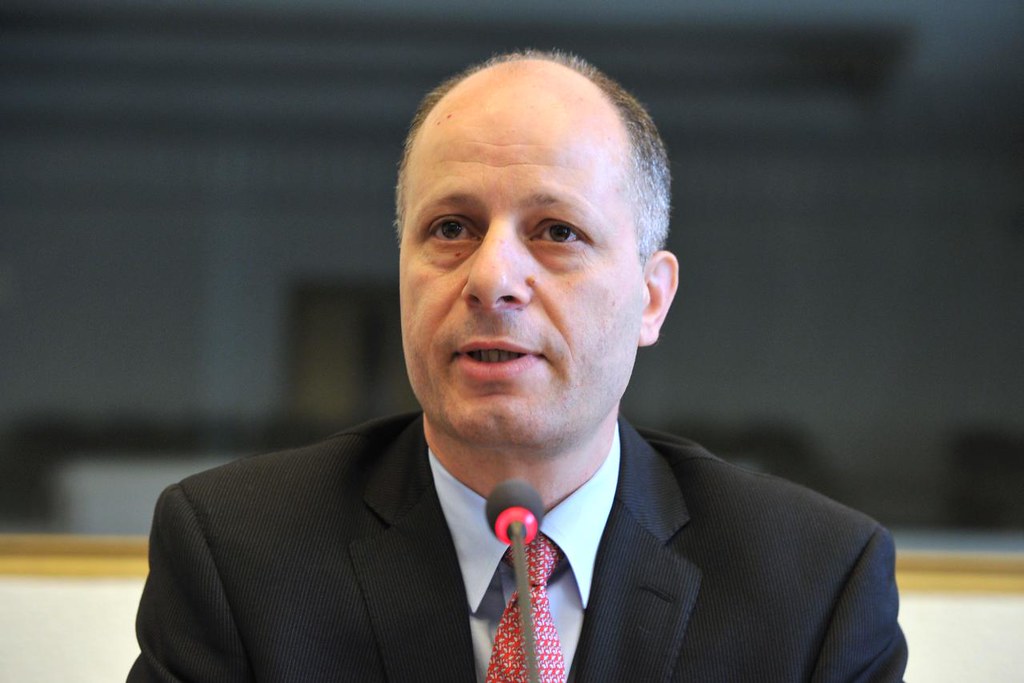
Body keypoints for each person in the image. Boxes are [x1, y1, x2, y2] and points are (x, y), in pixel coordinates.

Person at [129, 50, 907, 682]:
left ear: (651, 298)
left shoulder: (813, 585)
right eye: (452, 227)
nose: (492, 277)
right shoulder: (238, 555)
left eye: (557, 231)